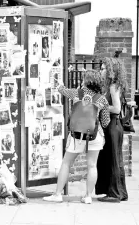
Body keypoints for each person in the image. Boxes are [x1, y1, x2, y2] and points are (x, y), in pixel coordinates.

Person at [43, 70, 110, 204]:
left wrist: (60, 82)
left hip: (77, 136)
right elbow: (105, 122)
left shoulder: (76, 93)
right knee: (92, 165)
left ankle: (57, 194)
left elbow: (61, 89)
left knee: (66, 163)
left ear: (86, 81)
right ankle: (88, 196)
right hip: (94, 135)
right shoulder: (102, 99)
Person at [95, 57, 129, 202]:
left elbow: (116, 108)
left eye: (103, 69)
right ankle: (121, 193)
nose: (101, 71)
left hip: (112, 126)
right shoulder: (116, 85)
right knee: (116, 159)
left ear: (111, 71)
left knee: (112, 159)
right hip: (116, 126)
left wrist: (100, 105)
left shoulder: (113, 87)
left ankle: (114, 194)